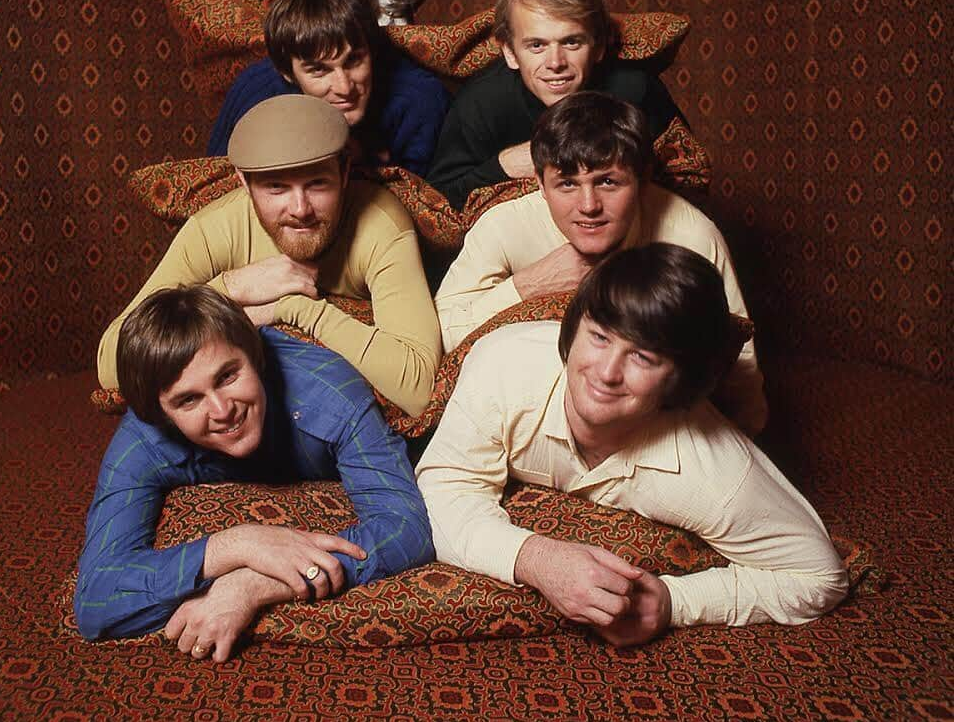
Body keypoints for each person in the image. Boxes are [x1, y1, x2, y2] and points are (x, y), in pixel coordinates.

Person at [417, 244, 848, 649]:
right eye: (600, 336)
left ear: (681, 380)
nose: (606, 372)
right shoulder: (501, 367)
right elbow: (443, 490)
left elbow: (820, 576)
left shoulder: (716, 472)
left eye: (643, 357)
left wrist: (674, 602)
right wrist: (537, 559)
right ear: (573, 329)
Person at [76, 285, 435, 658]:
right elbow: (95, 600)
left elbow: (407, 528)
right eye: (189, 399)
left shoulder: (331, 394)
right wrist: (237, 545)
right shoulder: (143, 436)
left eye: (228, 376)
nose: (221, 409)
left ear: (254, 358)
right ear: (161, 414)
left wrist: (254, 582)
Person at [434, 91, 765, 435]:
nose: (588, 205)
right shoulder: (502, 226)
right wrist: (527, 287)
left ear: (643, 178)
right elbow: (442, 341)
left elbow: (742, 382)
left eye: (608, 182)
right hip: (522, 421)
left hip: (656, 428)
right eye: (567, 184)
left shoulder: (691, 235)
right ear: (540, 185)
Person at [98, 94, 442, 417]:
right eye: (276, 187)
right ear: (245, 184)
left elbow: (419, 387)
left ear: (344, 172)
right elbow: (112, 365)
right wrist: (228, 289)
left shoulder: (380, 224)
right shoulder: (213, 228)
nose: (299, 209)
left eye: (317, 183)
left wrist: (291, 308)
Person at [426, 0, 683, 209]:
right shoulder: (483, 101)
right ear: (510, 53)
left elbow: (684, 176)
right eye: (536, 45)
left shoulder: (635, 89)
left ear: (600, 46)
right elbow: (442, 200)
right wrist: (504, 166)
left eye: (571, 42)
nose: (555, 63)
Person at [207, 0, 450, 177]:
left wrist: (366, 165)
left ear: (372, 51)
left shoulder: (421, 99)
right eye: (319, 70)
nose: (344, 88)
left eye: (354, 61)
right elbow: (214, 191)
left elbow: (434, 212)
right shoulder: (256, 92)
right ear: (287, 72)